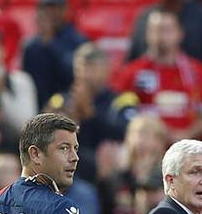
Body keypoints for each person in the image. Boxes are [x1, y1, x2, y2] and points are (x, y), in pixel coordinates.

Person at [113, 8, 202, 141]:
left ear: (180, 33)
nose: (160, 36)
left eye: (166, 30)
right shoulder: (132, 72)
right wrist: (153, 133)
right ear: (147, 34)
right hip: (147, 147)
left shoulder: (197, 72)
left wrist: (186, 135)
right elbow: (121, 112)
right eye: (155, 30)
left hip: (186, 148)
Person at [45, 43, 135, 183]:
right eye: (80, 68)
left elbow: (127, 131)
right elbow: (42, 131)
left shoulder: (121, 100)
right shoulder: (60, 101)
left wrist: (91, 115)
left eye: (91, 68)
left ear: (106, 70)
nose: (84, 75)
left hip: (106, 169)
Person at [21, 0, 88, 108]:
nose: (52, 13)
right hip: (35, 104)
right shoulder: (31, 45)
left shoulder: (78, 40)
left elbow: (74, 75)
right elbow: (26, 79)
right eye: (48, 8)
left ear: (65, 10)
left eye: (58, 8)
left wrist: (51, 43)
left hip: (66, 102)